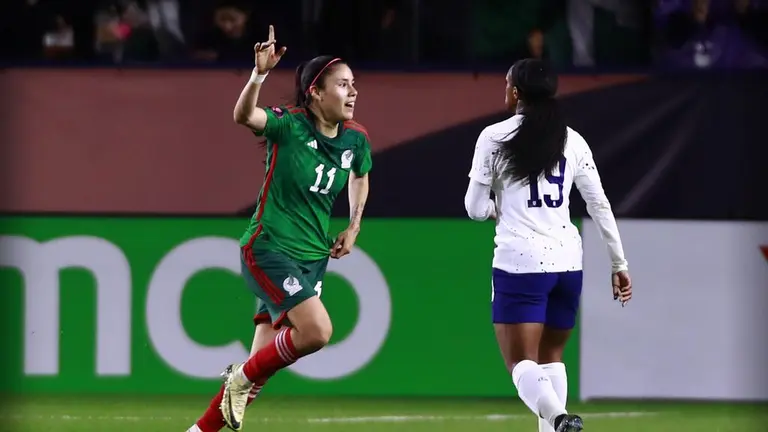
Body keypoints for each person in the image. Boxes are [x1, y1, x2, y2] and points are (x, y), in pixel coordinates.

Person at [186, 25, 372, 432]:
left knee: (255, 377)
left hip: (312, 259)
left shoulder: (356, 140)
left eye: (354, 84)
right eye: (343, 84)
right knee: (318, 331)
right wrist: (259, 75)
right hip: (268, 248)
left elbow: (360, 175)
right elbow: (243, 116)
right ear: (316, 93)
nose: (353, 91)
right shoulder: (288, 126)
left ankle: (199, 430)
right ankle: (240, 377)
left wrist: (353, 225)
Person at [463, 58, 632, 432]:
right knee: (551, 356)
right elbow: (598, 204)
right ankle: (558, 422)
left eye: (507, 83)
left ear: (517, 92)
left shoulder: (494, 137)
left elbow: (474, 209)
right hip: (568, 263)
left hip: (520, 263)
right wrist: (618, 264)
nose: (504, 89)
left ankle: (558, 418)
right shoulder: (572, 140)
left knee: (521, 363)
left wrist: (496, 209)